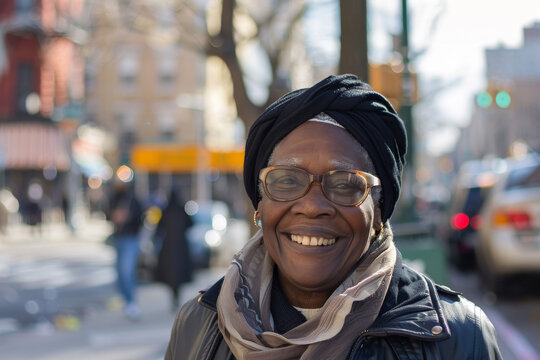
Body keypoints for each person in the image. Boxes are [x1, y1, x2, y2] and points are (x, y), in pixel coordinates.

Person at [165, 75, 502, 359]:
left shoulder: (459, 336)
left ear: (380, 212)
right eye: (286, 180)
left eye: (344, 184)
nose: (312, 206)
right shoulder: (198, 325)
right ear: (260, 203)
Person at [153, 188, 194, 310]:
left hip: (168, 249)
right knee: (178, 273)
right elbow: (191, 224)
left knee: (171, 273)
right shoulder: (182, 210)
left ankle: (174, 297)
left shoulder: (165, 210)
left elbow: (158, 229)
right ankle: (176, 296)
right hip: (180, 247)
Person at [108, 180, 143, 320]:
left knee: (126, 270)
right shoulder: (114, 197)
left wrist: (127, 217)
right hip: (118, 237)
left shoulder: (133, 199)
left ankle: (131, 302)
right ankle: (126, 300)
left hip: (131, 238)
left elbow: (140, 218)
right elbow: (107, 213)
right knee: (119, 272)